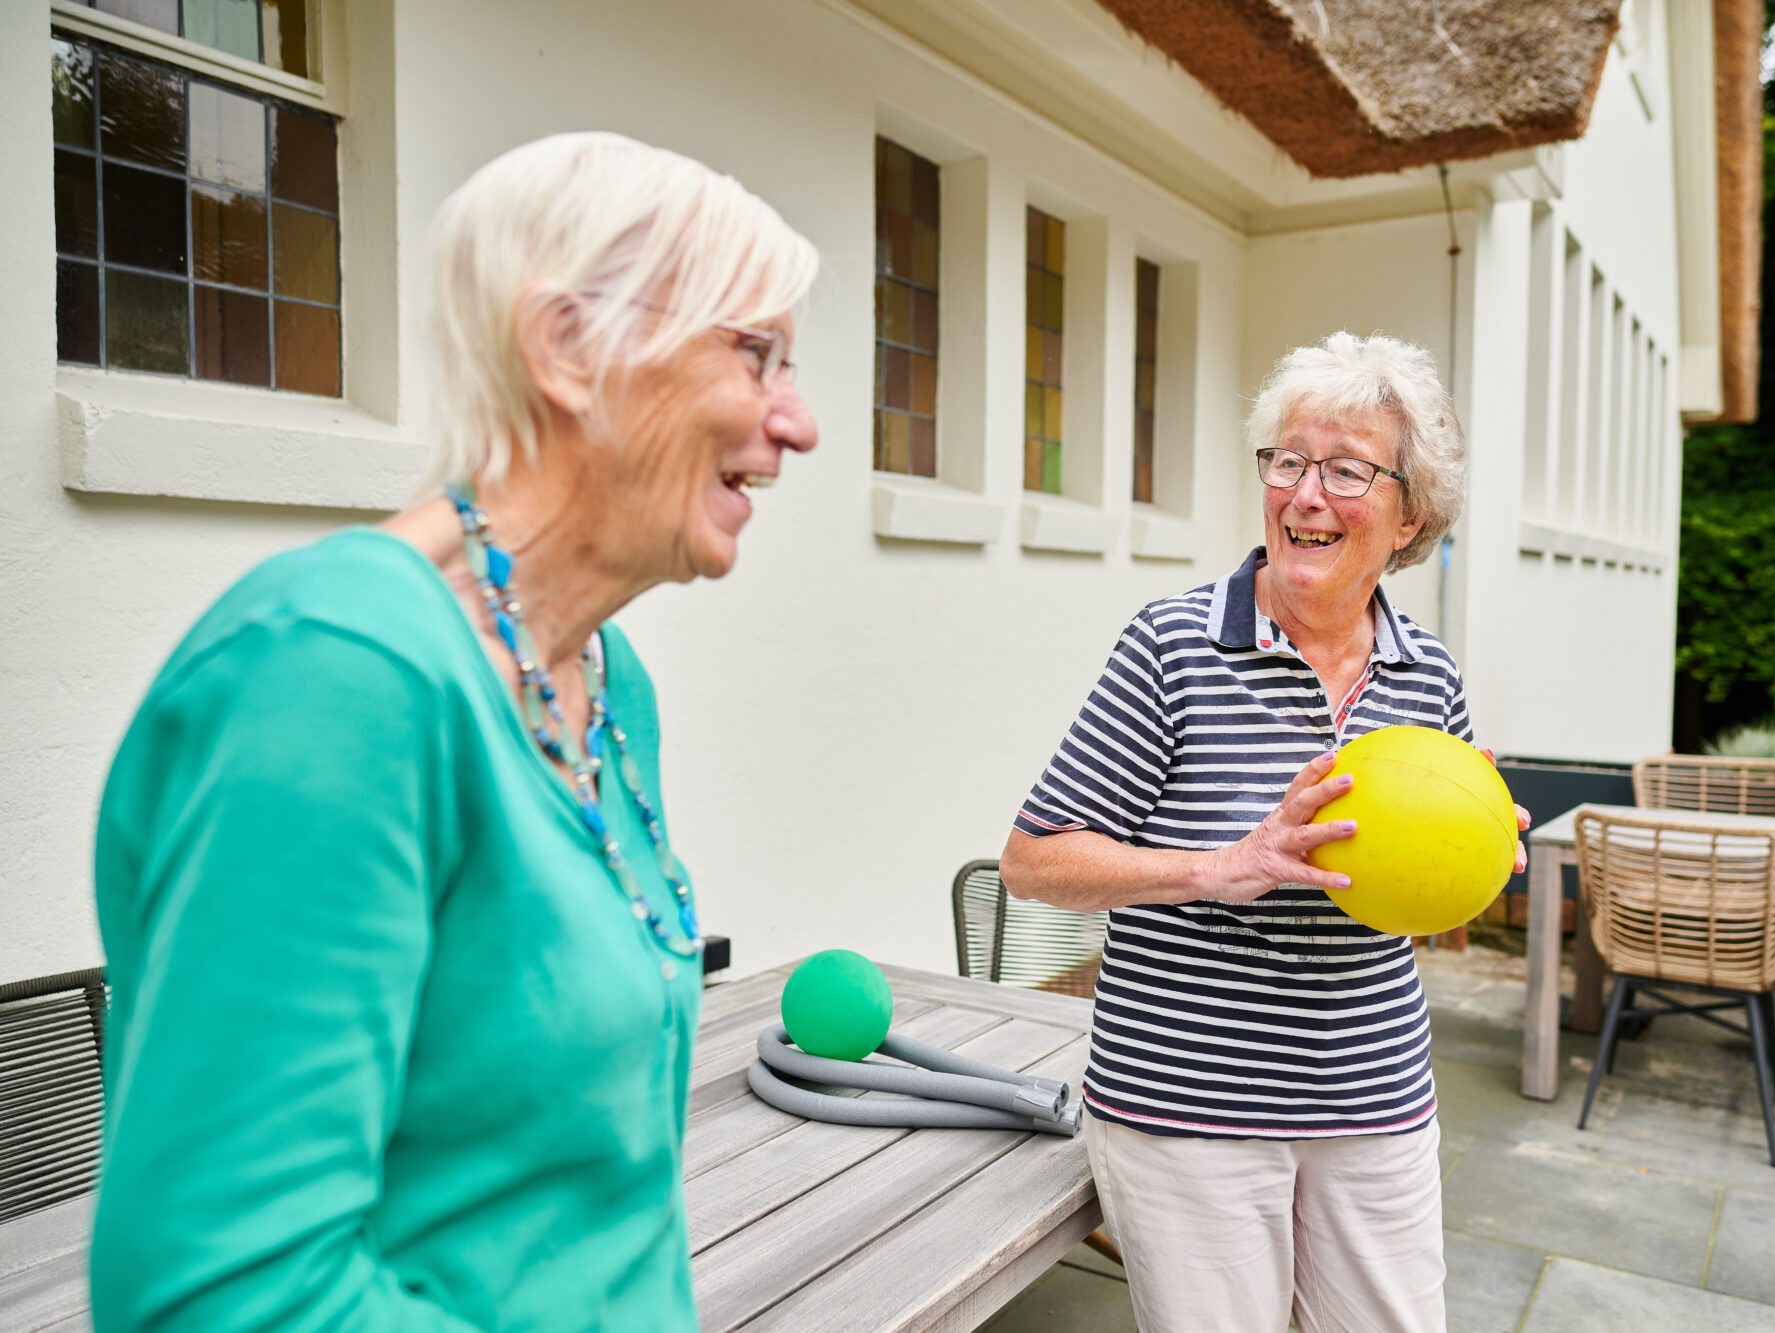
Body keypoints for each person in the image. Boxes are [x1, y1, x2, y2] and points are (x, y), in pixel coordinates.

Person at [89, 132, 818, 1332]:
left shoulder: (604, 676)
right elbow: (222, 1292)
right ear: (568, 349)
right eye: (758, 354)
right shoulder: (333, 674)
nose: (797, 422)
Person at [1000, 332, 1530, 1333]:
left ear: (1408, 512)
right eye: (1286, 461)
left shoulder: (1429, 679)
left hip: (1371, 1096)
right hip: (1187, 1103)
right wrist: (1219, 865)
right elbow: (1032, 862)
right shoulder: (1173, 647)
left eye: (1343, 470)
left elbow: (1418, 898)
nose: (1303, 494)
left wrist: (1471, 856)